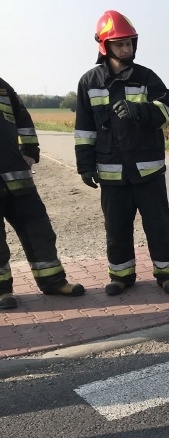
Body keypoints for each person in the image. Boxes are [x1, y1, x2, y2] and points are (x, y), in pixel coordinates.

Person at [75, 10, 169, 296]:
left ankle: (168, 273)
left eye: (130, 43)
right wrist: (84, 166)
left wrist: (141, 111)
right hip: (111, 173)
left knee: (158, 225)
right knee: (117, 229)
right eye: (120, 44)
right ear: (104, 45)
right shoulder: (89, 82)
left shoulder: (148, 78)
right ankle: (121, 276)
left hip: (148, 171)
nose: (126, 49)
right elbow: (84, 129)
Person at [0, 76, 85, 310]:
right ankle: (2, 292)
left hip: (17, 176)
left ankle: (53, 282)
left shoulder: (3, 87)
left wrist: (29, 150)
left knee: (40, 231)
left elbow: (23, 118)